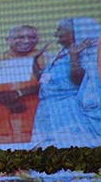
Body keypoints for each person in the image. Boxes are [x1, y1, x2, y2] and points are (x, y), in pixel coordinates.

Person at [0, 26, 47, 145]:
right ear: (8, 40)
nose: (26, 41)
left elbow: (53, 86)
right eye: (20, 37)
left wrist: (19, 93)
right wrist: (4, 99)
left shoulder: (48, 60)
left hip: (33, 121)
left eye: (31, 37)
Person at [31, 17, 101, 148]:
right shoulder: (61, 53)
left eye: (60, 30)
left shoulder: (86, 54)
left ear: (75, 32)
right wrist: (35, 61)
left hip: (67, 112)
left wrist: (74, 57)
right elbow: (44, 80)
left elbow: (79, 82)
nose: (55, 34)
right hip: (46, 110)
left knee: (68, 152)